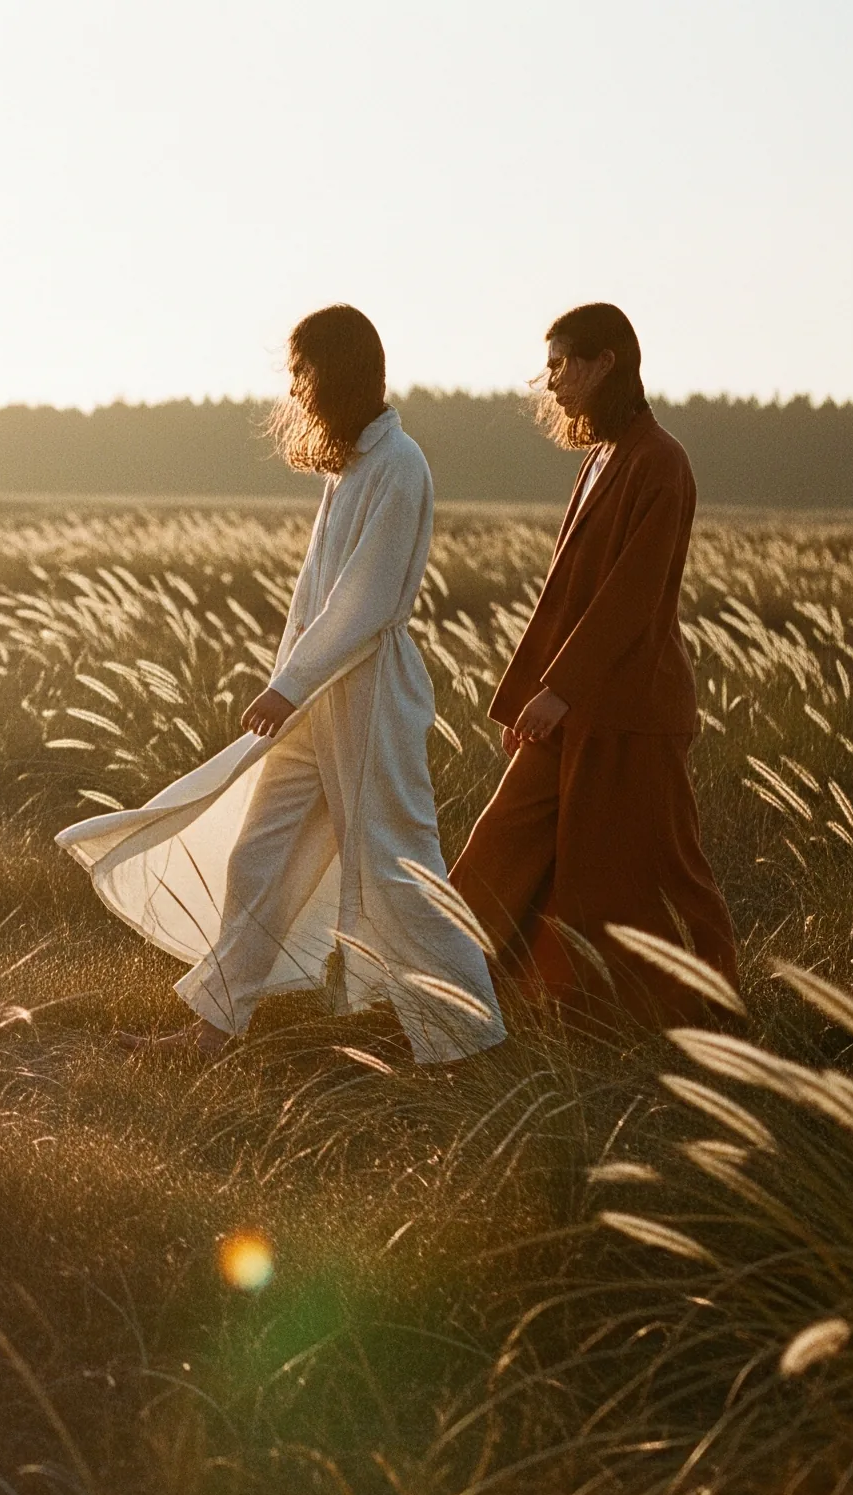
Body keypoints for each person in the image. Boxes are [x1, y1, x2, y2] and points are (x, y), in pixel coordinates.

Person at [59, 305, 504, 1065]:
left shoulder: (400, 466)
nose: (294, 388)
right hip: (313, 703)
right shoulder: (351, 465)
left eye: (302, 372)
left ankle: (470, 1041)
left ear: (335, 373)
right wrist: (289, 682)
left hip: (365, 699)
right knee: (258, 856)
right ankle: (210, 1034)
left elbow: (361, 602)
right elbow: (312, 597)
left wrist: (288, 686)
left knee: (398, 868)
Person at [448, 303, 737, 1020]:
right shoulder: (602, 457)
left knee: (646, 878)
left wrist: (559, 692)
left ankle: (701, 1016)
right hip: (575, 706)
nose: (550, 385)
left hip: (634, 711)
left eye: (559, 366)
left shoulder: (661, 461)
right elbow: (565, 598)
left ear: (605, 362)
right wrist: (535, 697)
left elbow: (631, 596)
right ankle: (437, 999)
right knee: (499, 846)